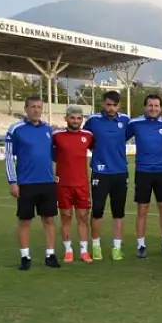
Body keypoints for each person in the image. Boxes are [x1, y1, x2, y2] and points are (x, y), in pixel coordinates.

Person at [5, 95, 60, 270]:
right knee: (25, 220)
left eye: (39, 107)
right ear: (26, 109)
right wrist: (13, 182)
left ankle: (50, 255)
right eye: (33, 107)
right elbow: (8, 157)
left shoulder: (48, 130)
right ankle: (25, 256)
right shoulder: (16, 129)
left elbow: (55, 155)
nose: (36, 110)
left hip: (47, 182)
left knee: (49, 219)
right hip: (26, 183)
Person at [83, 91, 130, 261]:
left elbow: (127, 136)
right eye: (108, 104)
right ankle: (96, 246)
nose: (111, 108)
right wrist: (98, 154)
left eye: (115, 105)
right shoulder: (93, 120)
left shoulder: (125, 120)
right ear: (103, 104)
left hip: (120, 172)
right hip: (100, 172)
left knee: (119, 213)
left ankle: (117, 248)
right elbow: (84, 139)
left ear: (119, 106)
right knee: (97, 211)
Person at [128, 94, 162, 258]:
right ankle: (141, 245)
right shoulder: (134, 123)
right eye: (150, 105)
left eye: (156, 106)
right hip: (143, 172)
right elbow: (120, 139)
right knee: (142, 209)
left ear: (160, 108)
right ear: (145, 107)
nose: (153, 108)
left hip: (161, 172)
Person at [52, 107, 94, 263]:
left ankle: (84, 251)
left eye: (78, 118)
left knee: (83, 217)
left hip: (82, 184)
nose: (75, 121)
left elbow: (98, 149)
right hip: (63, 184)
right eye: (72, 118)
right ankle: (68, 250)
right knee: (66, 216)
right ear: (66, 119)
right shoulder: (56, 136)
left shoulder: (88, 136)